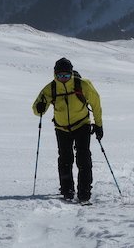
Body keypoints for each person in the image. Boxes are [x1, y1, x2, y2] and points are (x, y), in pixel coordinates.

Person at [32, 57, 103, 202]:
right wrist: (39, 108)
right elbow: (37, 108)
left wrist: (98, 125)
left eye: (66, 75)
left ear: (71, 73)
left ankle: (84, 192)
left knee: (83, 158)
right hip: (61, 127)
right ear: (55, 74)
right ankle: (67, 190)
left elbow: (96, 103)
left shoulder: (83, 85)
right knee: (65, 159)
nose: (63, 78)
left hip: (82, 124)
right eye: (60, 75)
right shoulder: (50, 88)